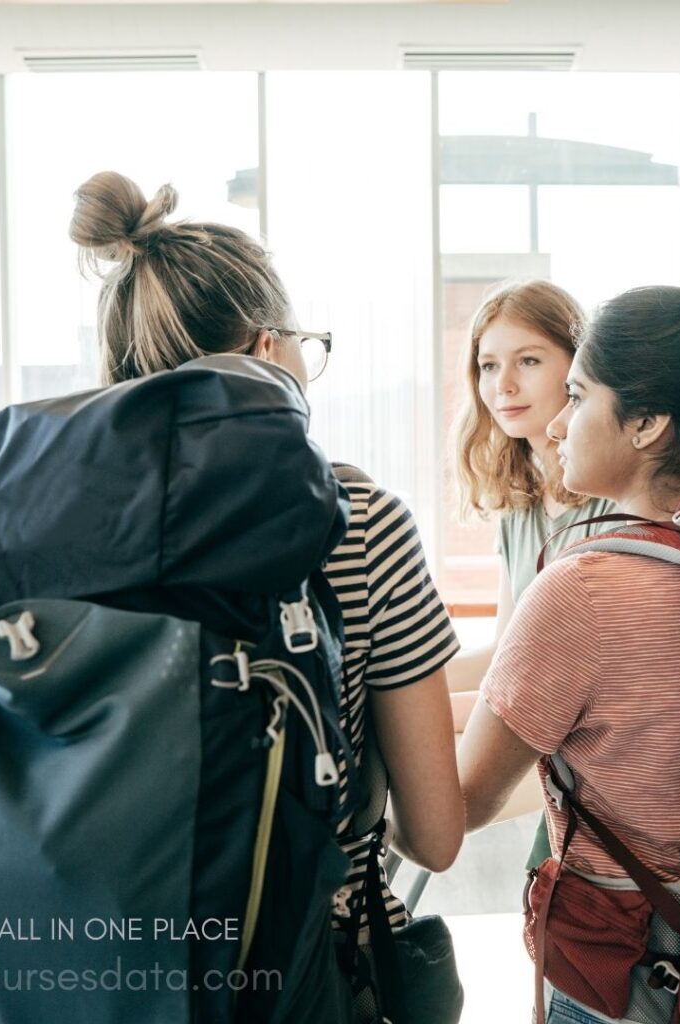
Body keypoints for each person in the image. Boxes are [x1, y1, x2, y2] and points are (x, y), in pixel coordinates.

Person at [69, 171, 464, 950]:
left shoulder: (61, 527)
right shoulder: (361, 522)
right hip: (302, 967)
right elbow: (437, 835)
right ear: (265, 348)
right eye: (305, 345)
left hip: (105, 967)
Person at [456, 285, 680, 1024]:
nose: (560, 424)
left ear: (649, 423)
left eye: (578, 395)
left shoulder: (583, 589)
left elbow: (462, 805)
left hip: (616, 970)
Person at [448, 279, 615, 869]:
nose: (503, 386)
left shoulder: (615, 502)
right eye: (488, 366)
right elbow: (505, 655)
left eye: (528, 361)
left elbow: (560, 693)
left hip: (594, 757)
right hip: (541, 737)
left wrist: (413, 708)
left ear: (577, 370)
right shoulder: (518, 509)